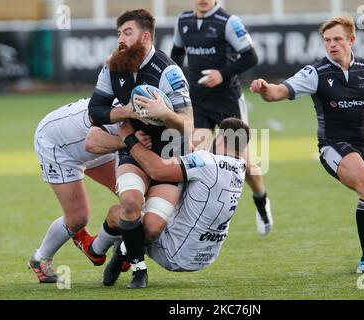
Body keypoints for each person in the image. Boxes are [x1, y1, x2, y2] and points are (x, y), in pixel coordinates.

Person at [250, 13, 364, 273]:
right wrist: (266, 88)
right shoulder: (316, 72)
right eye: (327, 40)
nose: (332, 44)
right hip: (334, 146)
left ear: (351, 40)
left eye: (337, 39)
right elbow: (279, 92)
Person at [86, 9, 193, 288]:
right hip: (134, 149)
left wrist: (164, 113)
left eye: (128, 32)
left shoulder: (168, 71)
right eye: (119, 33)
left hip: (170, 155)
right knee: (132, 202)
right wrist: (127, 112)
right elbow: (95, 112)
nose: (121, 39)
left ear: (145, 36)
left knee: (153, 228)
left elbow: (189, 125)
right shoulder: (113, 65)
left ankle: (121, 249)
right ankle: (138, 268)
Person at [77, 117, 249, 288]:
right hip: (206, 257)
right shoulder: (241, 167)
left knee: (122, 212)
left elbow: (158, 170)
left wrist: (129, 139)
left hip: (176, 253)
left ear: (219, 138)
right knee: (158, 203)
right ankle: (123, 250)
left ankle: (98, 250)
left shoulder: (206, 161)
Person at [170, 0, 273, 236]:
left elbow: (251, 56)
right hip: (197, 101)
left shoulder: (228, 22)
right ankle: (195, 218)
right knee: (197, 158)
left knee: (244, 164)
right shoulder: (182, 21)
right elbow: (176, 53)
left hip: (228, 101)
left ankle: (261, 201)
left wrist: (222, 74)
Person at [28, 98, 151, 283]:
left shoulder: (148, 105)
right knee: (78, 218)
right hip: (58, 145)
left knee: (133, 198)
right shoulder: (126, 109)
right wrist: (130, 141)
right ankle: (40, 258)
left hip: (102, 142)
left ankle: (102, 249)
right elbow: (92, 142)